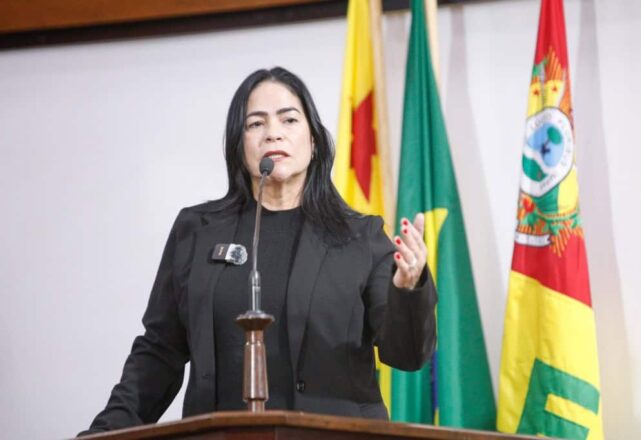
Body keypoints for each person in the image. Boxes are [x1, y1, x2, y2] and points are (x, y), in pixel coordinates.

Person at [80, 67, 437, 435]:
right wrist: (105, 432)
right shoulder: (197, 232)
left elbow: (408, 354)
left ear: (314, 141)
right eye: (256, 124)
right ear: (240, 146)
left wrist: (408, 288)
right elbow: (158, 354)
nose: (273, 133)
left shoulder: (359, 237)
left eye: (289, 119)